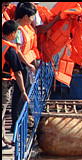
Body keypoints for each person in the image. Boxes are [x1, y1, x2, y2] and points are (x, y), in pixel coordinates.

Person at [10, 2, 38, 131]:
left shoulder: (24, 28)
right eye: (32, 17)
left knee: (24, 92)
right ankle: (16, 124)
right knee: (19, 94)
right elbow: (18, 50)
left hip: (26, 64)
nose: (33, 20)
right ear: (26, 16)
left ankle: (21, 121)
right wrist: (28, 64)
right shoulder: (17, 30)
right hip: (21, 65)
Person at [2, 19, 28, 149]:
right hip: (4, 83)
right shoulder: (10, 50)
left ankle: (3, 138)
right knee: (2, 110)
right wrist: (23, 91)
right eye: (17, 32)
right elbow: (18, 72)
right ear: (12, 34)